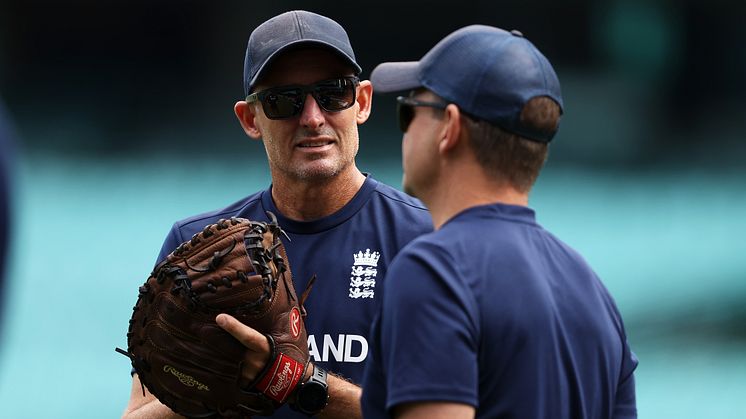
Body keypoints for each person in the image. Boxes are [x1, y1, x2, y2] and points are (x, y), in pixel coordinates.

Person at [121, 10, 432, 419]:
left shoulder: (424, 239)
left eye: (333, 93)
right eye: (283, 100)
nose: (313, 117)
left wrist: (288, 379)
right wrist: (215, 380)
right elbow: (136, 414)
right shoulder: (197, 246)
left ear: (362, 102)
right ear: (250, 119)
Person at [360, 25, 638, 419]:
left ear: (449, 128)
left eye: (409, 110)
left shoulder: (435, 272)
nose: (404, 130)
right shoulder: (594, 292)